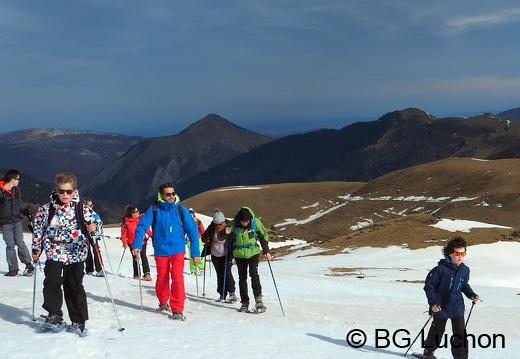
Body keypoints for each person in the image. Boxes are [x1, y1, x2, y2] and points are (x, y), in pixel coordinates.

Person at [31, 172, 103, 335]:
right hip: (54, 249)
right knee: (52, 281)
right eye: (61, 191)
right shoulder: (46, 209)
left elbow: (98, 224)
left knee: (74, 285)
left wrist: (94, 229)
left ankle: (78, 321)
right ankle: (54, 314)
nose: (65, 195)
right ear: (56, 190)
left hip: (76, 252)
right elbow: (38, 229)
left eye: (68, 191)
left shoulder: (82, 208)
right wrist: (36, 248)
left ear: (74, 191)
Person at [132, 183, 200, 321]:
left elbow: (192, 230)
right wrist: (137, 244)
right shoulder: (154, 209)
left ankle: (177, 309)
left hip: (177, 249)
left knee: (177, 278)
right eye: (168, 194)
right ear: (161, 195)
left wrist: (195, 252)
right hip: (161, 250)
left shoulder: (180, 209)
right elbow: (141, 227)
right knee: (162, 278)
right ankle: (163, 302)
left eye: (173, 193)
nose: (171, 196)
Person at [422, 236, 480, 359]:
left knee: (460, 333)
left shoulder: (465, 270)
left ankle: (461, 357)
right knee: (437, 330)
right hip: (440, 306)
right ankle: (428, 353)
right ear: (449, 253)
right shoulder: (440, 270)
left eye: (463, 253)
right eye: (457, 253)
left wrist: (471, 294)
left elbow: (464, 285)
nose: (460, 256)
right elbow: (429, 287)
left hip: (457, 306)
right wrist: (433, 303)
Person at [220, 206, 271, 313]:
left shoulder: (255, 222)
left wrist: (266, 251)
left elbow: (263, 236)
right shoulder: (233, 223)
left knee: (254, 273)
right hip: (239, 254)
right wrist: (225, 232)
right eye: (243, 221)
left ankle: (258, 299)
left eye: (246, 221)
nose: (244, 223)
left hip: (253, 252)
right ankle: (244, 302)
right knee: (242, 278)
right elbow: (220, 236)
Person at [0, 169, 34, 277]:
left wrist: (26, 212)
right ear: (12, 179)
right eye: (18, 179)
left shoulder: (16, 191)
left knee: (20, 243)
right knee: (10, 245)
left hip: (17, 220)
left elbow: (20, 204)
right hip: (5, 222)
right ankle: (13, 269)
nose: (19, 181)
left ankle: (29, 265)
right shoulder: (1, 192)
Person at [201, 208, 237, 303]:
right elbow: (203, 238)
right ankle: (222, 294)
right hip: (215, 254)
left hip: (226, 254)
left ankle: (232, 293)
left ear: (224, 222)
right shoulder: (212, 227)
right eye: (216, 224)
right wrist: (207, 239)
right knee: (219, 274)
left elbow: (234, 240)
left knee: (227, 273)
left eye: (220, 224)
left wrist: (233, 254)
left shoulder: (230, 227)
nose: (218, 226)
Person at [121, 204, 152, 281]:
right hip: (132, 243)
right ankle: (136, 274)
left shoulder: (140, 220)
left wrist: (152, 235)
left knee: (143, 256)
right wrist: (124, 243)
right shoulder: (126, 223)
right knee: (135, 258)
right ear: (132, 214)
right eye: (137, 211)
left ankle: (146, 273)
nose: (139, 212)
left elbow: (146, 229)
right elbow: (123, 234)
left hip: (142, 242)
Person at [83, 198, 104, 277]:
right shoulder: (83, 213)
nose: (90, 207)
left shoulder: (94, 214)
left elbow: (99, 224)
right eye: (88, 205)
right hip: (85, 234)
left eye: (91, 205)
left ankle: (99, 268)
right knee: (87, 251)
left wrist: (99, 233)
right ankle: (89, 269)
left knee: (96, 250)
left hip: (93, 235)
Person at [187, 208, 205, 275]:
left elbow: (202, 230)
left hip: (198, 239)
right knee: (191, 256)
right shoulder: (186, 222)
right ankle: (193, 270)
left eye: (192, 214)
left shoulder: (198, 222)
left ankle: (201, 268)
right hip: (189, 240)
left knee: (199, 254)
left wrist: (206, 238)